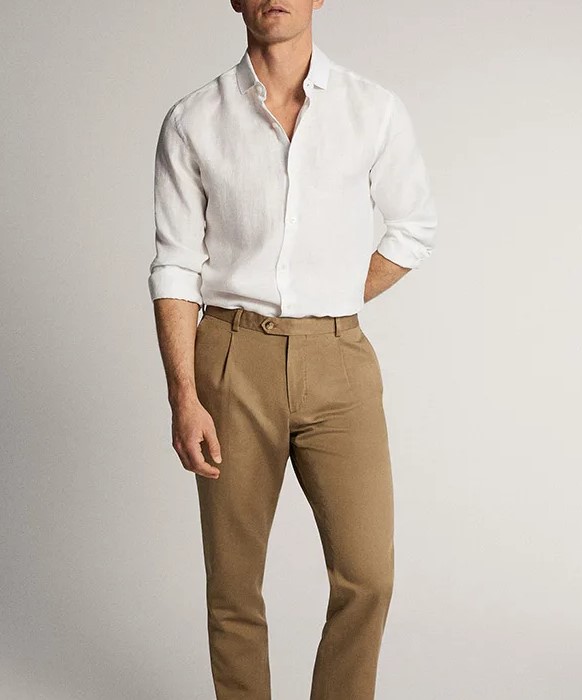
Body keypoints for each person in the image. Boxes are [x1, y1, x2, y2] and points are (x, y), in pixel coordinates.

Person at [148, 1, 438, 698]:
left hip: (339, 361)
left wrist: (334, 293)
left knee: (368, 575)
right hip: (231, 357)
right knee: (233, 582)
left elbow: (413, 227)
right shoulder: (194, 120)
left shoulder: (373, 110)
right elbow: (176, 264)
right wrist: (184, 395)